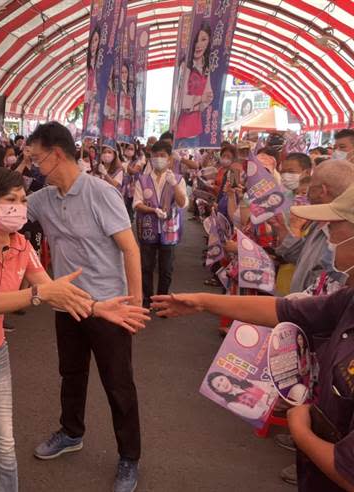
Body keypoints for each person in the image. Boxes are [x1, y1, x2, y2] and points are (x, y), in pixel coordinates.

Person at [0, 122, 145, 492]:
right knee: (71, 373)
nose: (31, 164)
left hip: (109, 304)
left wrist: (135, 304)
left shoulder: (101, 194)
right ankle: (71, 431)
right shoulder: (45, 197)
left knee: (118, 383)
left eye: (35, 157)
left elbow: (130, 249)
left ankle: (129, 457)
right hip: (63, 299)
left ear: (56, 154)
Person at [152, 183, 354, 492]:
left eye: (336, 225)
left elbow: (347, 471)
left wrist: (301, 430)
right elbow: (286, 310)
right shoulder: (349, 298)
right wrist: (202, 301)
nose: (326, 233)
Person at [272, 160, 354, 294]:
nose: (330, 241)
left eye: (311, 186)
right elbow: (300, 257)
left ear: (322, 190)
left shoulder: (340, 223)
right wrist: (282, 229)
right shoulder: (318, 221)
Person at [133, 141, 188, 308]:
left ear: (170, 159)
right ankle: (147, 300)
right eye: (155, 155)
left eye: (162, 156)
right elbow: (136, 203)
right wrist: (153, 211)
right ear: (150, 158)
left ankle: (162, 301)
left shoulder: (177, 179)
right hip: (148, 228)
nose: (158, 159)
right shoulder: (142, 180)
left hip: (169, 230)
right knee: (146, 267)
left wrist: (175, 186)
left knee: (166, 269)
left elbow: (182, 203)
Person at [175, 22, 214, 148]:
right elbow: (182, 100)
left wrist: (198, 102)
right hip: (183, 127)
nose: (199, 45)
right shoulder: (185, 67)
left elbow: (209, 96)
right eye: (196, 41)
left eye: (203, 40)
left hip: (197, 126)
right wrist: (199, 99)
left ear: (208, 42)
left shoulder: (206, 68)